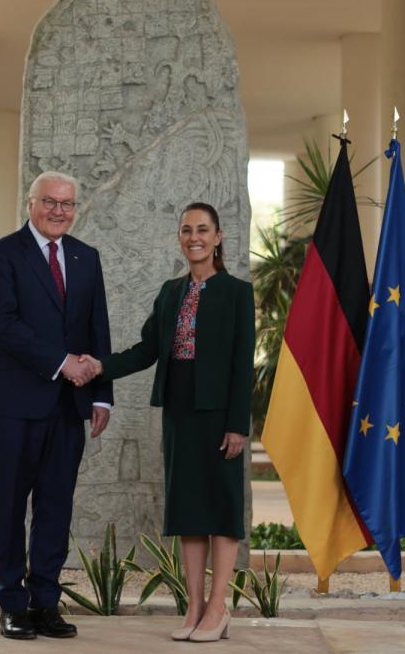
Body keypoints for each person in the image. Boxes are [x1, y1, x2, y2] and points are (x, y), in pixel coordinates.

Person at [83, 202, 254, 643]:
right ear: (179, 237)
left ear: (218, 237)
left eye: (202, 229)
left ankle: (219, 607)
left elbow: (242, 364)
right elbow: (145, 351)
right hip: (178, 412)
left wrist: (238, 424)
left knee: (222, 507)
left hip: (219, 416)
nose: (193, 237)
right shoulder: (169, 291)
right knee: (189, 511)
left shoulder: (237, 292)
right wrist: (98, 366)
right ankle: (194, 607)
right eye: (186, 230)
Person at [0, 171, 112, 640]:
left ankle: (46, 603)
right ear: (31, 203)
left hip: (68, 405)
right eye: (50, 202)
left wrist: (101, 394)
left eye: (68, 204)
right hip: (11, 403)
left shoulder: (86, 257)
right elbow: (4, 324)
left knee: (56, 507)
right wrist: (61, 363)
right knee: (9, 505)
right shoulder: (0, 254)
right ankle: (12, 603)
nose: (59, 211)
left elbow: (97, 327)